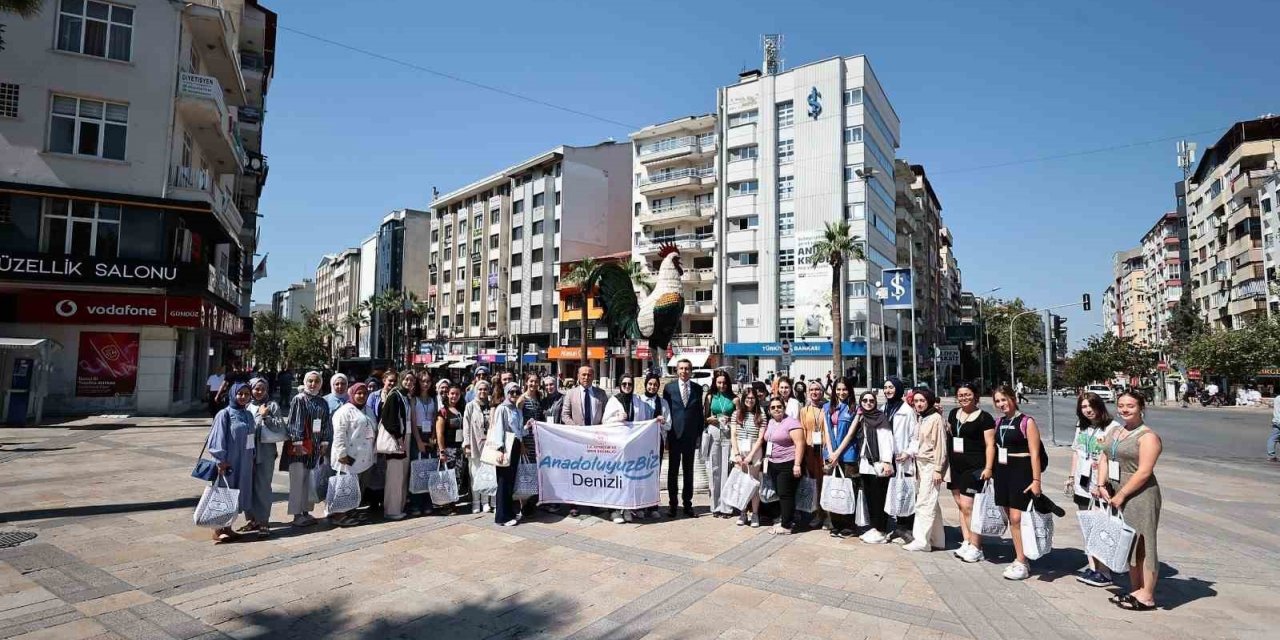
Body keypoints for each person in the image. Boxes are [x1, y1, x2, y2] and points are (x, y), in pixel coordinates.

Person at [1096, 391, 1163, 611]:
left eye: (1131, 406)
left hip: (1140, 494)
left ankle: (1148, 594)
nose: (1125, 409)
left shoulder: (1148, 436)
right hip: (1116, 491)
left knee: (1144, 543)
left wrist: (1122, 494)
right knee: (1130, 544)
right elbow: (1104, 455)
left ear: (1141, 407)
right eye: (1122, 405)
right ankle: (1136, 589)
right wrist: (1101, 484)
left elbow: (1144, 472)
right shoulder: (1116, 430)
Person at [991, 384, 1045, 580]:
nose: (1001, 404)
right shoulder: (999, 422)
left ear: (1013, 398)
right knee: (1010, 517)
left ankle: (1023, 560)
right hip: (1002, 472)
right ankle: (1019, 556)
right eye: (997, 401)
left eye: (1004, 399)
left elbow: (1035, 453)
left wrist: (1036, 479)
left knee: (1017, 517)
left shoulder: (1027, 422)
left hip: (1021, 472)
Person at [1070, 392, 1119, 585]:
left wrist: (1102, 483)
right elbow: (1077, 452)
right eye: (1083, 407)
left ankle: (1105, 571)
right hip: (1082, 484)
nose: (1088, 410)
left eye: (1091, 406)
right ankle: (1092, 567)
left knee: (1101, 526)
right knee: (1087, 525)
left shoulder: (1112, 428)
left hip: (1100, 485)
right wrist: (1071, 476)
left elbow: (1113, 458)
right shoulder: (1081, 427)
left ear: (1100, 406)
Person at [946, 383, 997, 563]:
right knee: (961, 505)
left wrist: (989, 467)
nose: (964, 398)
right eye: (960, 395)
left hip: (975, 467)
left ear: (975, 396)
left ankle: (977, 546)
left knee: (970, 507)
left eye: (967, 394)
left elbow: (990, 444)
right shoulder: (953, 414)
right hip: (956, 466)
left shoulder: (985, 418)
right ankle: (967, 541)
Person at [204, 383, 255, 543]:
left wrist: (251, 455)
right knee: (224, 493)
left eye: (247, 394)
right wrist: (220, 460)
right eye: (240, 393)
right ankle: (217, 530)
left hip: (244, 461)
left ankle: (229, 527)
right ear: (233, 394)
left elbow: (251, 437)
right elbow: (216, 439)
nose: (243, 397)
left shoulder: (248, 415)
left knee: (236, 494)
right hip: (228, 462)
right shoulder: (224, 414)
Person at [280, 371, 331, 528]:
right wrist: (297, 443)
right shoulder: (299, 399)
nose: (313, 384)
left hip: (314, 448)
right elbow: (295, 422)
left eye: (316, 381)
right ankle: (296, 514)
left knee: (308, 482)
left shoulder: (322, 402)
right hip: (300, 449)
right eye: (310, 381)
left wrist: (324, 442)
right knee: (297, 482)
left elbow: (326, 423)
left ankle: (305, 512)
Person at [558, 365, 608, 517]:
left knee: (595, 473)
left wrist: (600, 430)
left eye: (589, 375)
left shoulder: (601, 394)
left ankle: (594, 504)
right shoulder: (570, 394)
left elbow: (607, 415)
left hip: (595, 440)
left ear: (593, 377)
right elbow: (565, 415)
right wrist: (578, 430)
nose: (586, 377)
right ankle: (574, 504)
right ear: (578, 376)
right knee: (576, 473)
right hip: (577, 440)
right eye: (583, 375)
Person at [903, 388, 947, 552]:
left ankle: (921, 541)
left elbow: (940, 446)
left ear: (929, 401)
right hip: (920, 464)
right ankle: (937, 539)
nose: (919, 404)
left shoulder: (936, 419)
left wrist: (938, 469)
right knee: (930, 501)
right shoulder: (922, 418)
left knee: (924, 502)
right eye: (916, 401)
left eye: (922, 400)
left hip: (930, 464)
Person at [330, 382, 376, 527]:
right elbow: (339, 434)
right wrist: (342, 453)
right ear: (352, 394)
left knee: (357, 487)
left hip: (364, 456)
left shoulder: (368, 410)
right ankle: (339, 515)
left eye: (364, 393)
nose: (362, 396)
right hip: (348, 457)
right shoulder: (344, 411)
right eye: (358, 393)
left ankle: (350, 510)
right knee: (344, 486)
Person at [663, 359, 705, 518]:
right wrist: (666, 436)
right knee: (672, 472)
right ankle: (672, 505)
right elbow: (666, 411)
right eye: (681, 368)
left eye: (687, 368)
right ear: (676, 370)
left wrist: (699, 435)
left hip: (690, 436)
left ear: (691, 370)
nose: (684, 371)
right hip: (674, 436)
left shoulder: (697, 388)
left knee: (689, 472)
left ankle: (687, 504)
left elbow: (699, 414)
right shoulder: (669, 388)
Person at [244, 378, 285, 538]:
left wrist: (266, 416)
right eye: (256, 389)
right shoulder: (246, 404)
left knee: (263, 486)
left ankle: (264, 521)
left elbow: (279, 427)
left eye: (262, 389)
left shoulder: (272, 405)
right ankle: (252, 519)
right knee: (248, 486)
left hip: (265, 452)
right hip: (247, 451)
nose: (258, 392)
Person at [372, 370, 412, 520]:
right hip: (397, 440)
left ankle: (399, 506)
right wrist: (398, 438)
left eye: (411, 380)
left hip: (404, 438)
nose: (409, 382)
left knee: (401, 475)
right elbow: (389, 419)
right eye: (406, 379)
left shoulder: (405, 396)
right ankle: (391, 510)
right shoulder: (395, 396)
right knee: (394, 476)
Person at [855, 391, 895, 543]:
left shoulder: (880, 418)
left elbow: (887, 440)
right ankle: (874, 527)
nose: (868, 403)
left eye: (871, 400)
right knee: (870, 497)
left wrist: (886, 461)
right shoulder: (861, 417)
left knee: (879, 497)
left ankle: (881, 530)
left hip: (878, 463)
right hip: (865, 463)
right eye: (864, 400)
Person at [761, 397, 805, 535]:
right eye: (773, 407)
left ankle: (786, 525)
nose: (776, 409)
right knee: (780, 493)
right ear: (769, 410)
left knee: (786, 494)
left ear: (784, 407)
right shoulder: (772, 422)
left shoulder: (791, 423)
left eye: (779, 406)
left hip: (788, 462)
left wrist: (797, 464)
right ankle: (785, 519)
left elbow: (800, 443)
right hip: (773, 463)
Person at [883, 377, 919, 544]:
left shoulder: (907, 411)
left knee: (904, 492)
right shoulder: (884, 408)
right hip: (887, 458)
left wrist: (908, 452)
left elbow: (915, 436)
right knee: (892, 492)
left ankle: (906, 528)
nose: (888, 391)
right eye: (886, 388)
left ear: (898, 389)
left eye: (891, 387)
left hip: (901, 458)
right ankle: (896, 527)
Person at [822, 378, 859, 537]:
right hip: (830, 454)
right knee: (833, 488)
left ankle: (849, 525)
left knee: (848, 489)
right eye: (838, 389)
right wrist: (831, 453)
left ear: (849, 390)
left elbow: (851, 434)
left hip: (848, 454)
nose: (841, 393)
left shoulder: (855, 409)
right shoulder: (826, 407)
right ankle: (835, 523)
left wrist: (838, 453)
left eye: (844, 389)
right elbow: (827, 432)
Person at [488, 382, 528, 526]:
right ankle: (501, 517)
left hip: (515, 445)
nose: (515, 395)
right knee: (503, 482)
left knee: (510, 481)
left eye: (517, 392)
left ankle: (509, 512)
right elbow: (498, 428)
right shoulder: (502, 409)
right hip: (506, 446)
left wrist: (526, 428)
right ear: (506, 393)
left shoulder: (517, 409)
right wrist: (500, 448)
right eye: (511, 392)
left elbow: (518, 430)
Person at [728, 384, 766, 527]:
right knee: (741, 484)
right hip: (739, 452)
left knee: (754, 484)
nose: (750, 400)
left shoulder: (761, 414)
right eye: (747, 397)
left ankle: (755, 513)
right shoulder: (736, 414)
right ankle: (742, 512)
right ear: (743, 399)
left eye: (752, 398)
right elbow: (733, 434)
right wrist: (737, 454)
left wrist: (750, 455)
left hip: (754, 453)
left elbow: (760, 438)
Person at [703, 370, 737, 518]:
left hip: (728, 434)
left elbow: (738, 418)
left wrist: (729, 419)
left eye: (724, 382)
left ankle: (727, 507)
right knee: (714, 470)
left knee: (727, 471)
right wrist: (713, 419)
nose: (721, 385)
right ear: (715, 383)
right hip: (714, 433)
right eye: (719, 382)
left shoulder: (735, 399)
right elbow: (705, 417)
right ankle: (715, 506)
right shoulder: (710, 397)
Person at [639, 372, 672, 519]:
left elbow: (669, 425)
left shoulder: (663, 403)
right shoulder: (639, 400)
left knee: (654, 475)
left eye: (655, 385)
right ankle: (640, 504)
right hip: (640, 443)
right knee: (639, 474)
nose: (652, 387)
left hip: (656, 443)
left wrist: (662, 422)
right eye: (650, 384)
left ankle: (652, 505)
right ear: (646, 384)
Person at [798, 380, 828, 530]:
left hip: (824, 450)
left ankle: (827, 513)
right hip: (810, 450)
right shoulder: (804, 411)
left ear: (822, 391)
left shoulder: (827, 408)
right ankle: (817, 513)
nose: (815, 392)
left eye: (817, 389)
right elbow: (802, 431)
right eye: (812, 390)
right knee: (815, 482)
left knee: (825, 481)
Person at [407, 372, 437, 517]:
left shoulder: (433, 399)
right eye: (423, 381)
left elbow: (435, 418)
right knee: (417, 470)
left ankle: (427, 502)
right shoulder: (414, 399)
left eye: (428, 381)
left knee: (430, 469)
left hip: (429, 434)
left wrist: (433, 436)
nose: (425, 384)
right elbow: (413, 422)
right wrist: (418, 441)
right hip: (417, 434)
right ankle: (415, 503)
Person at [515, 372, 544, 517]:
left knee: (533, 472)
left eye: (536, 382)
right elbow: (517, 423)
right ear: (526, 382)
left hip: (536, 441)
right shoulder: (521, 399)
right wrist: (521, 444)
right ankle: (523, 506)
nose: (533, 384)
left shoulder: (538, 397)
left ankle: (530, 504)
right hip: (525, 440)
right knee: (525, 472)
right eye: (531, 381)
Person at [460, 381, 492, 514]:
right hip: (474, 445)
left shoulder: (491, 405)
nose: (482, 392)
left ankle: (485, 502)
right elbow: (466, 425)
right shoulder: (470, 406)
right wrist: (466, 444)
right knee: (474, 474)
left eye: (485, 389)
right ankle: (475, 502)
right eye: (480, 389)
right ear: (475, 391)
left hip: (488, 446)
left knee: (486, 475)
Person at [1269, 398, 1280, 463]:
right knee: (1274, 438)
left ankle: (1271, 455)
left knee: (1274, 438)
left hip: (1276, 420)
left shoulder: (1277, 398)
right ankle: (1271, 455)